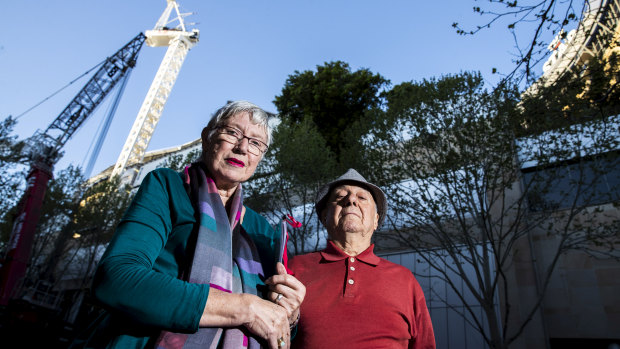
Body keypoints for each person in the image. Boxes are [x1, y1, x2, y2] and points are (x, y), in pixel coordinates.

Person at [72, 101, 305, 349]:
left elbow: (272, 321)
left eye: (256, 143)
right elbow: (116, 279)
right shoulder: (167, 187)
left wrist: (290, 315)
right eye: (232, 132)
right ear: (207, 137)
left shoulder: (262, 230)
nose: (242, 147)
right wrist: (243, 307)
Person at [288, 169, 436, 349]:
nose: (351, 200)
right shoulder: (294, 268)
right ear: (324, 217)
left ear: (375, 220)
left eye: (362, 198)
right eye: (340, 196)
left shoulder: (405, 280)